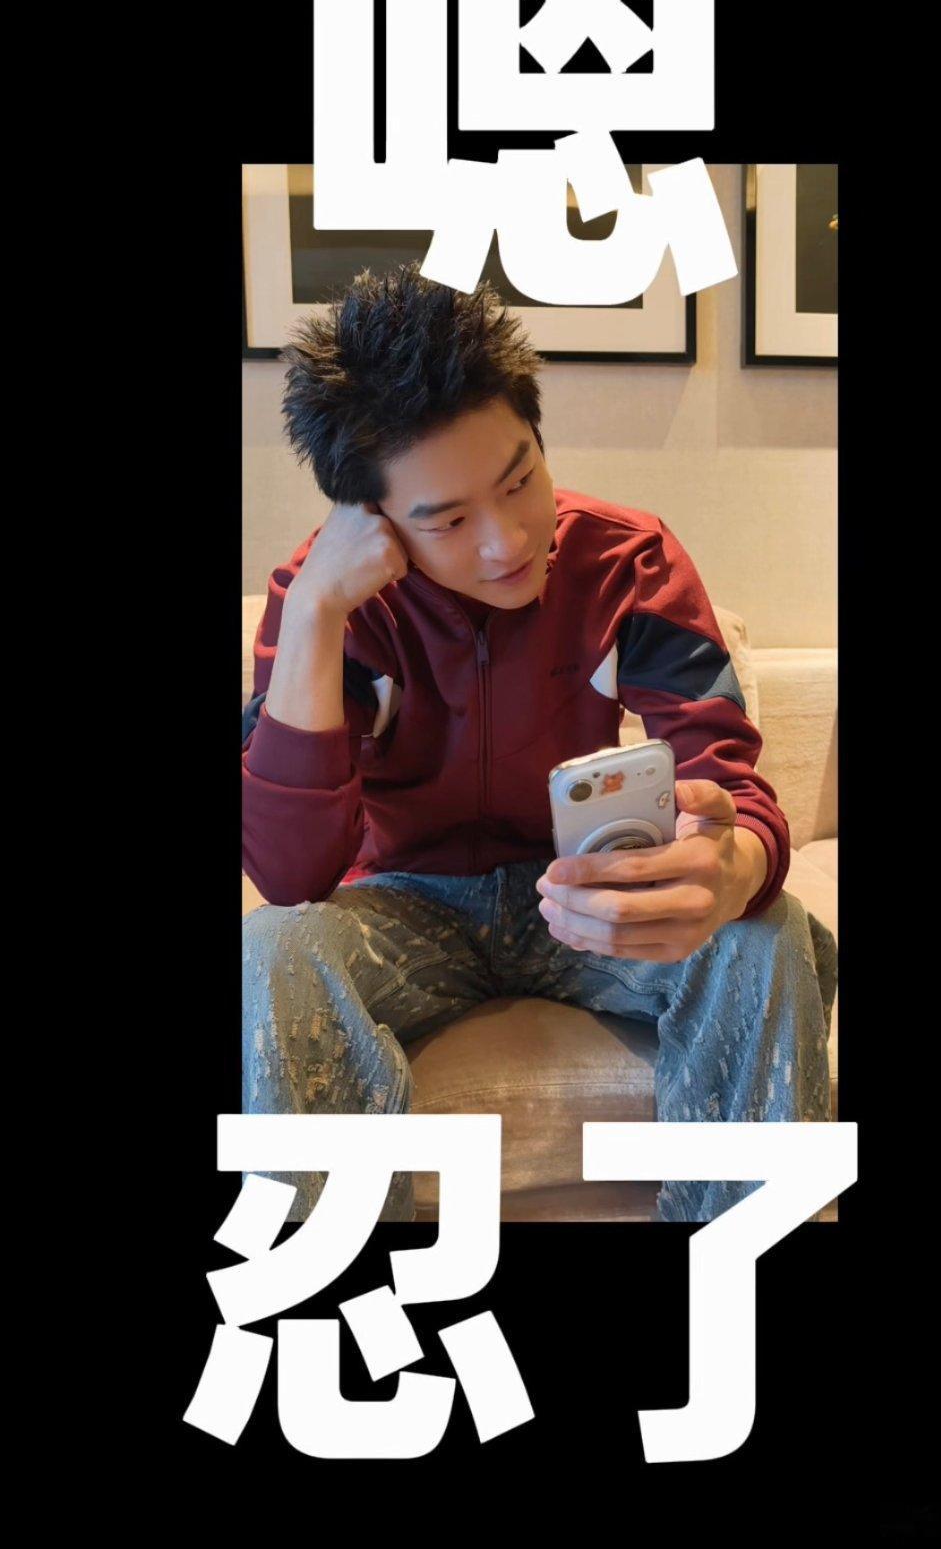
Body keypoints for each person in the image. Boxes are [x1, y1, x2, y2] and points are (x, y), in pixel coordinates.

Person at [242, 260, 837, 1223]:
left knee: (768, 937)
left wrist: (735, 865)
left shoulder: (626, 561)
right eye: (448, 520)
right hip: (406, 902)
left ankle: (735, 1268)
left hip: (588, 893)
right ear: (375, 522)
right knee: (270, 948)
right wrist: (315, 612)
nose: (508, 540)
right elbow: (289, 872)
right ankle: (336, 1278)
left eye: (520, 480)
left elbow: (727, 781)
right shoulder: (326, 603)